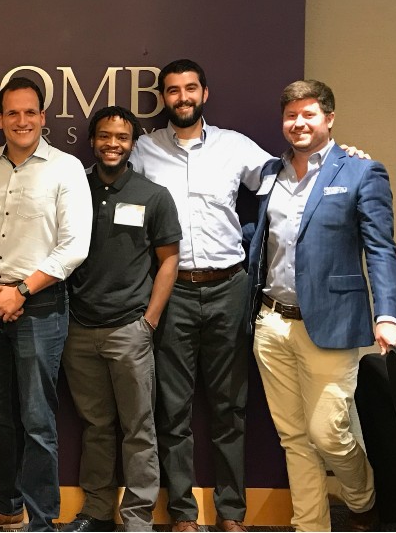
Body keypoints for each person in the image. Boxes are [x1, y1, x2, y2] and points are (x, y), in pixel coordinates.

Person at [247, 80, 396, 532]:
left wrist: (387, 314)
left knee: (328, 434)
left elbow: (380, 248)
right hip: (272, 323)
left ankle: (361, 497)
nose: (298, 123)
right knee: (293, 437)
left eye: (308, 114)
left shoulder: (360, 171)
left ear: (329, 119)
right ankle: (310, 525)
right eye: (291, 115)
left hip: (333, 323)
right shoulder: (270, 174)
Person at [131, 59, 271, 532]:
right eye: (173, 91)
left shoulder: (235, 147)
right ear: (164, 99)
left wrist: (336, 157)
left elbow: (285, 181)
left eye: (190, 89)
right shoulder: (143, 151)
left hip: (228, 287)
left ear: (204, 94)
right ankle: (183, 515)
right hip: (172, 292)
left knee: (230, 406)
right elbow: (105, 184)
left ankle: (232, 514)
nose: (182, 97)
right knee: (173, 409)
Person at [0, 77, 93, 532]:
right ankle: (3, 505)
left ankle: (40, 520)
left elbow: (74, 247)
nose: (21, 121)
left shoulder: (66, 168)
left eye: (29, 112)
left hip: (41, 306)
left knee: (38, 420)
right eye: (12, 113)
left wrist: (21, 292)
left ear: (43, 118)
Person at [61, 106, 181, 532]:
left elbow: (169, 262)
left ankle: (136, 517)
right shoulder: (74, 188)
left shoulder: (154, 195)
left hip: (130, 328)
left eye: (122, 137)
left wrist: (148, 321)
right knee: (95, 426)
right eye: (105, 136)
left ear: (133, 143)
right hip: (78, 328)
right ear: (92, 140)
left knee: (138, 428)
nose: (113, 144)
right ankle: (96, 511)